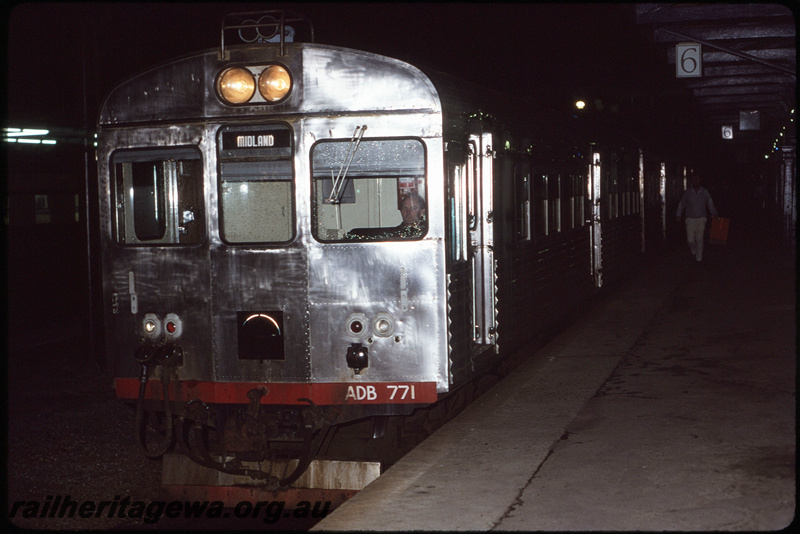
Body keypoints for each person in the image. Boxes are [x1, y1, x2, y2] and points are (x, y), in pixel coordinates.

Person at [676, 172, 718, 262]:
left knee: (700, 238)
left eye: (697, 179)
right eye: (694, 179)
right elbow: (682, 203)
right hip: (690, 219)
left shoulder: (704, 192)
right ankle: (693, 249)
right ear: (692, 180)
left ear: (700, 180)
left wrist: (714, 213)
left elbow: (709, 202)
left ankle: (699, 257)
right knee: (690, 239)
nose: (696, 180)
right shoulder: (688, 192)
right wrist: (678, 214)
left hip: (701, 218)